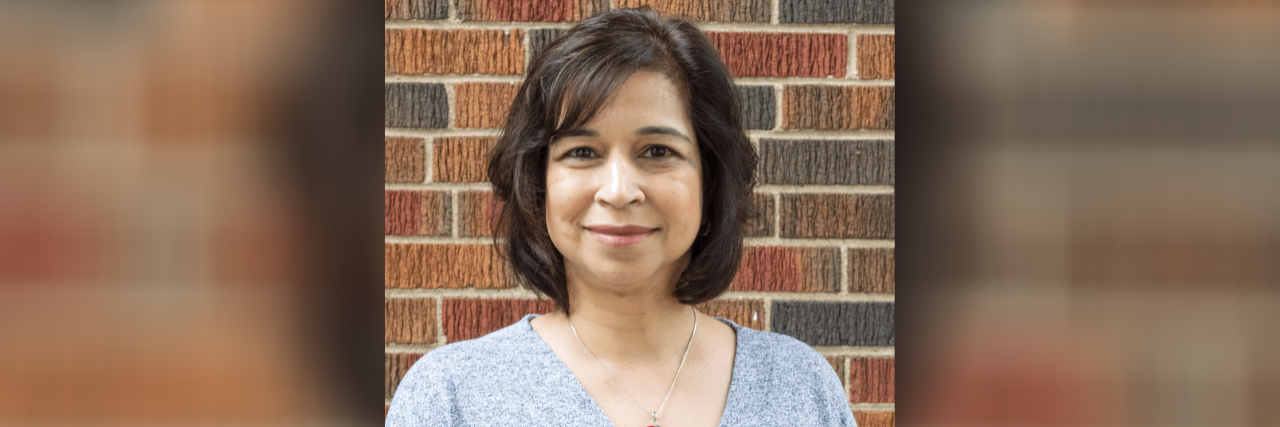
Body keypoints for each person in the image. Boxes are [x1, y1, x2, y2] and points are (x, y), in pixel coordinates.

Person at [385, 8, 855, 427]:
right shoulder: (450, 399)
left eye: (657, 151)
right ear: (539, 181)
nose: (618, 191)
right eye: (582, 151)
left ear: (709, 179)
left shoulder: (802, 389)